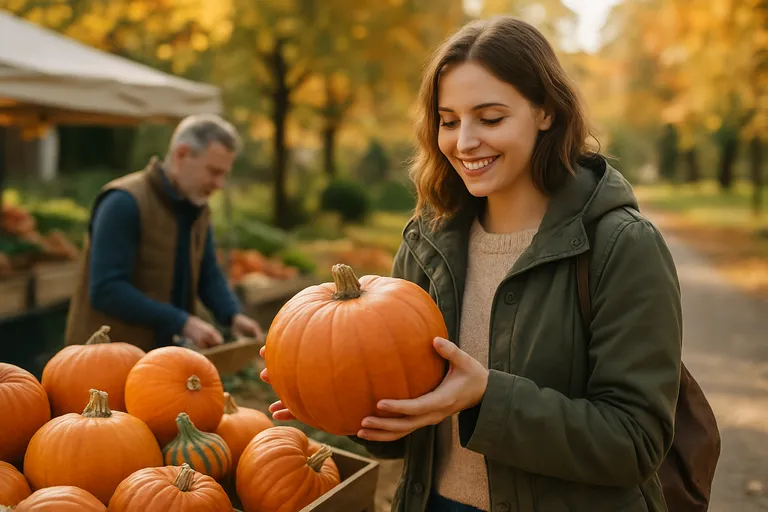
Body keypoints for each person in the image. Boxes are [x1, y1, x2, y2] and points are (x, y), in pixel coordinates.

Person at [261, 16, 683, 512]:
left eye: (490, 118)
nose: (464, 143)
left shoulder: (622, 246)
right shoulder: (427, 243)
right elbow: (409, 432)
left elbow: (636, 442)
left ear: (545, 112)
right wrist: (339, 397)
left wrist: (485, 396)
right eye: (449, 120)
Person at [65, 114, 264, 352]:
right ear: (182, 154)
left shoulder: (198, 207)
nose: (219, 184)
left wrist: (232, 315)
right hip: (106, 358)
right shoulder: (123, 202)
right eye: (213, 171)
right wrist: (183, 322)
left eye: (224, 174)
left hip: (162, 359)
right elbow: (107, 290)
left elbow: (207, 273)